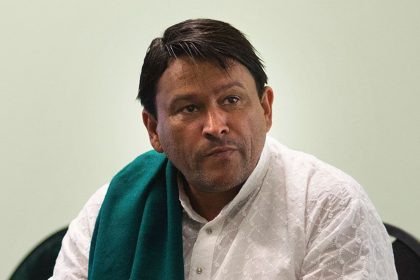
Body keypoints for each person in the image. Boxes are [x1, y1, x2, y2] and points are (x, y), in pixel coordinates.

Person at [50, 19, 397, 279]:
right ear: (154, 129)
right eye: (189, 108)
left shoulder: (327, 206)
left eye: (231, 99)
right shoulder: (111, 210)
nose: (216, 126)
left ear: (265, 108)